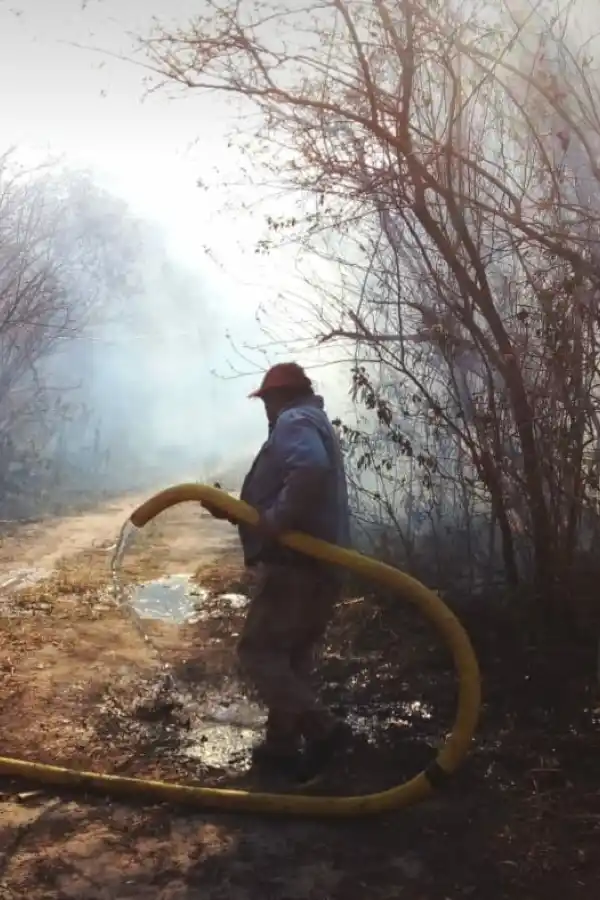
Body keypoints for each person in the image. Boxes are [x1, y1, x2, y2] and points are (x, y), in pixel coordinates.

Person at [202, 362, 351, 779]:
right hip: (323, 565)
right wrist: (242, 512)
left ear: (277, 397)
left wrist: (275, 522)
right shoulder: (313, 418)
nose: (265, 409)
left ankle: (323, 731)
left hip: (295, 567)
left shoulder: (293, 420)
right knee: (293, 656)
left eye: (266, 400)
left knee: (259, 652)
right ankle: (282, 747)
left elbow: (310, 469)